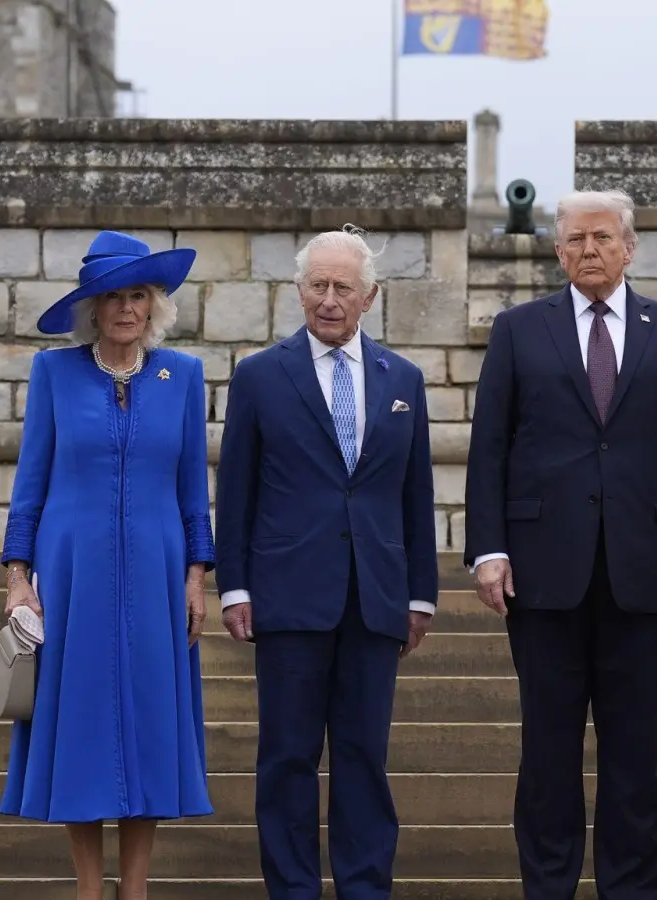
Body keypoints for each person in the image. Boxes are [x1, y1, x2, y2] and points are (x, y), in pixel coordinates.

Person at [463, 189, 657, 900]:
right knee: (547, 750)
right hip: (543, 574)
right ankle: (548, 887)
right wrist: (488, 548)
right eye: (574, 239)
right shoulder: (520, 329)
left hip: (645, 572)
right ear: (557, 251)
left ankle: (631, 889)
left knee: (633, 750)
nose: (588, 251)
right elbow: (489, 447)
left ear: (629, 247)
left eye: (602, 238)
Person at [213, 226, 438, 900]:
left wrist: (420, 594)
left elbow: (414, 492)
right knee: (286, 757)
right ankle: (292, 889)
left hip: (375, 598)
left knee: (365, 757)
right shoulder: (259, 375)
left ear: (370, 296)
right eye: (318, 285)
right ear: (299, 290)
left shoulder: (403, 379)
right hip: (287, 596)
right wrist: (234, 586)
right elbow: (238, 488)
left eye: (344, 287)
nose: (330, 299)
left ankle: (366, 886)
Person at [0, 230, 215, 900]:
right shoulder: (53, 375)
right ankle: (90, 889)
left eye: (139, 296)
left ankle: (136, 890)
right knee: (83, 723)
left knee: (150, 721)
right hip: (71, 573)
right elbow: (31, 480)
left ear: (154, 306)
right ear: (92, 308)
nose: (127, 309)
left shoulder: (183, 377)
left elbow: (191, 488)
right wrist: (16, 578)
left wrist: (196, 574)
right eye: (113, 297)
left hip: (157, 571)